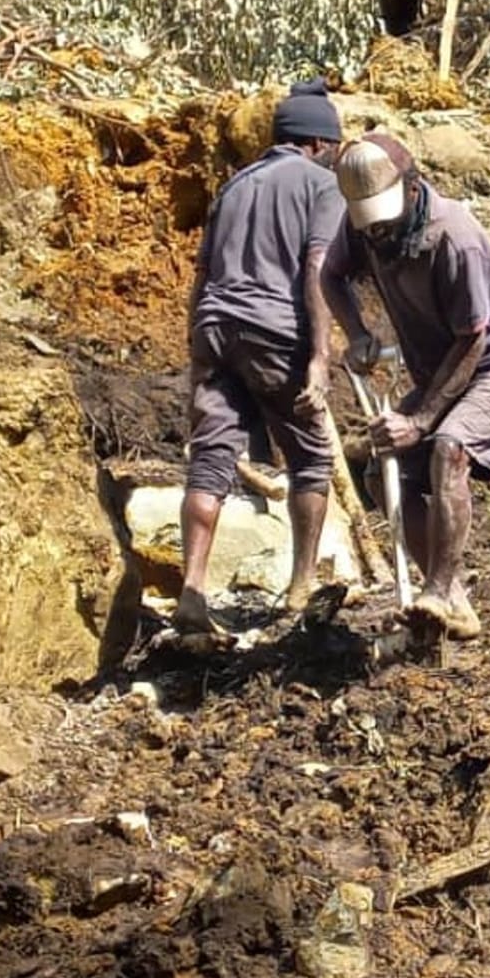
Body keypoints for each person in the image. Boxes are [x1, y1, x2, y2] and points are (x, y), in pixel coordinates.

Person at [324, 132, 490, 640]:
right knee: (385, 474)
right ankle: (451, 601)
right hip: (440, 370)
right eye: (369, 224)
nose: (378, 234)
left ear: (412, 186)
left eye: (385, 221)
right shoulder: (365, 225)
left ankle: (440, 589)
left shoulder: (455, 236)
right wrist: (358, 332)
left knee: (447, 448)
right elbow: (331, 275)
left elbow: (473, 340)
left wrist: (422, 420)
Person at [174, 79, 345, 636]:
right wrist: (320, 356)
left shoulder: (234, 186)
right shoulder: (322, 185)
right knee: (311, 457)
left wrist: (198, 354)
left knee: (210, 460)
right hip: (275, 330)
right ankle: (300, 587)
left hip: (215, 327)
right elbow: (317, 266)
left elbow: (201, 277)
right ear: (319, 143)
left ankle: (193, 591)